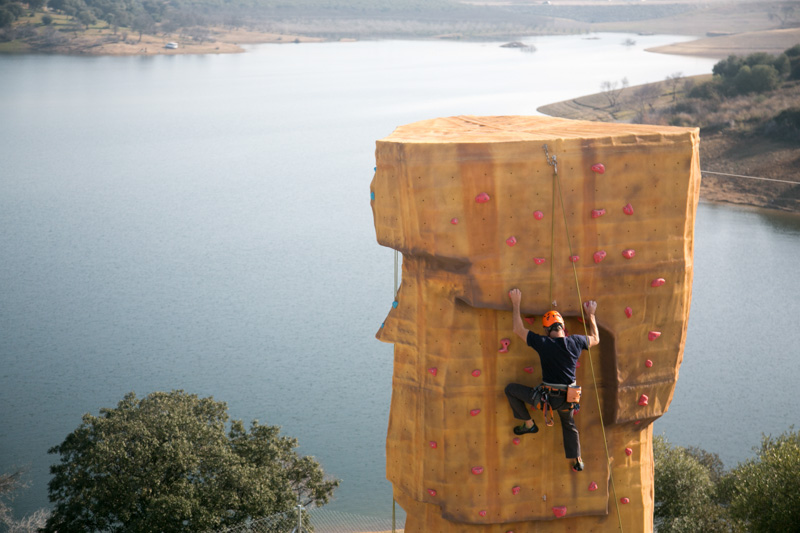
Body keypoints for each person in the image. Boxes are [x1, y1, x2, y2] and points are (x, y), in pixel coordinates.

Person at [504, 288, 599, 472]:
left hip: (547, 400)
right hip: (568, 401)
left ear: (547, 330)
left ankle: (530, 424)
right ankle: (577, 460)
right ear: (563, 327)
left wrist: (516, 303)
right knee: (569, 425)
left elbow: (518, 329)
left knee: (510, 389)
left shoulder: (543, 343)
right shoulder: (576, 342)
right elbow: (596, 338)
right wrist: (591, 315)